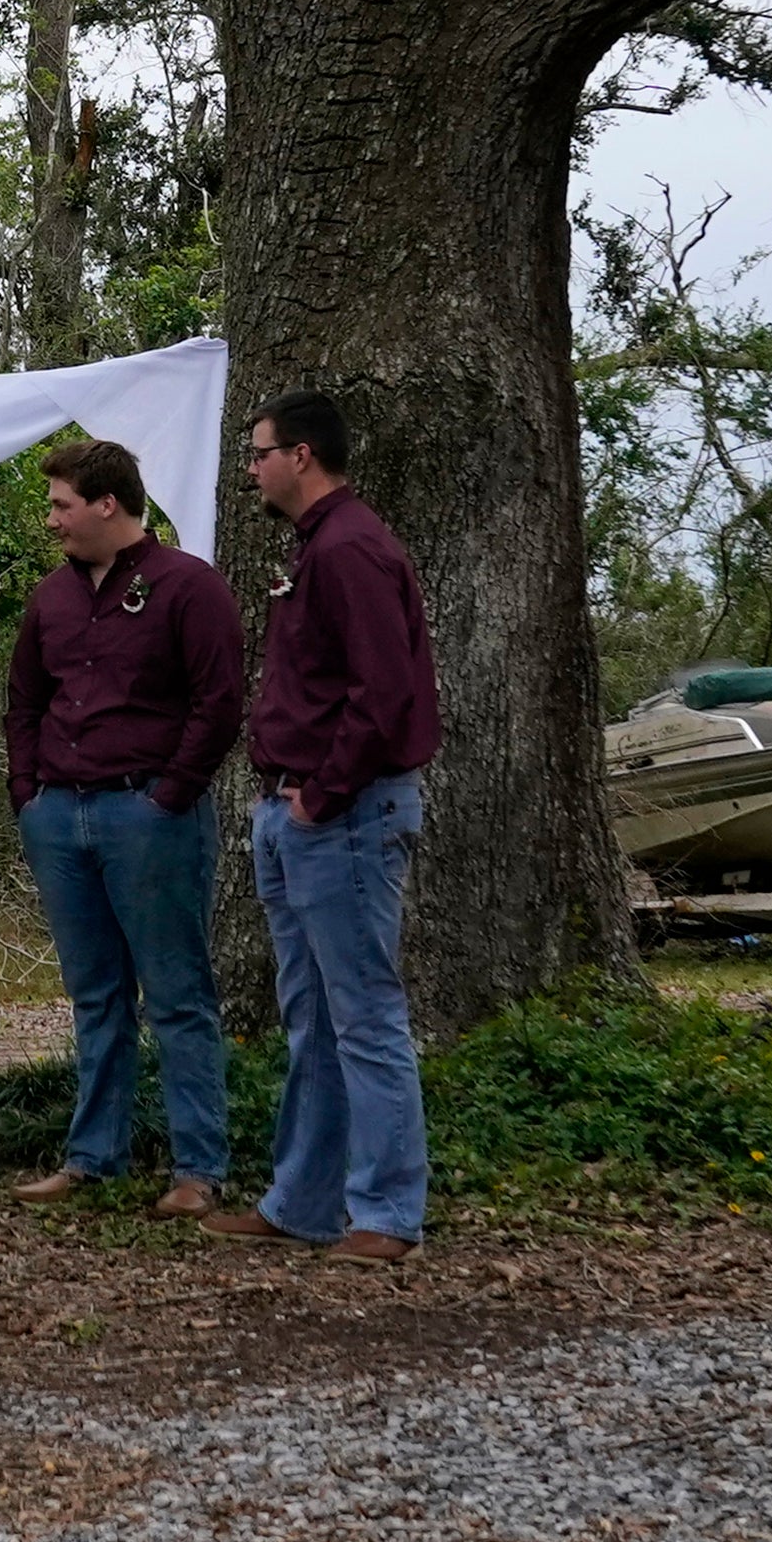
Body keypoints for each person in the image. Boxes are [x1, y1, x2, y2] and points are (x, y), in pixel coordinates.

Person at [2, 438, 244, 1216]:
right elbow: (24, 700)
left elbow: (220, 702)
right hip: (60, 817)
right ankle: (92, 1157)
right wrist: (27, 793)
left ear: (108, 502)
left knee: (177, 993)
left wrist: (169, 795)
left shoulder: (188, 587)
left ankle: (198, 1169)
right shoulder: (51, 597)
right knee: (95, 994)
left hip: (150, 816)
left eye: (62, 504)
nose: (52, 520)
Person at [227, 396, 440, 1266]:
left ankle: (388, 1212)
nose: (250, 468)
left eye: (258, 452)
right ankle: (305, 1202)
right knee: (311, 1018)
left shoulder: (351, 547)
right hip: (291, 810)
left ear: (302, 455)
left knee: (364, 1016)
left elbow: (382, 691)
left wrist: (323, 790)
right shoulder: (315, 546)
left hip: (341, 816)